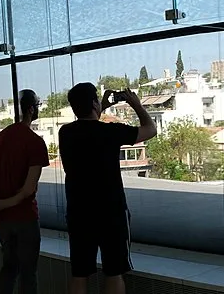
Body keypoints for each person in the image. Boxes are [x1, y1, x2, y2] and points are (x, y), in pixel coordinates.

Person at [60, 83, 156, 294]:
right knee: (114, 271)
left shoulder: (65, 133)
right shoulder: (111, 132)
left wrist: (98, 106)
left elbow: (87, 126)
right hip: (110, 211)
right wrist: (137, 105)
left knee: (79, 273)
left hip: (78, 211)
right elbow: (150, 130)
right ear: (94, 104)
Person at [0, 90, 50, 294]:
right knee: (28, 273)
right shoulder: (35, 142)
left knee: (9, 268)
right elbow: (28, 189)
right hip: (25, 218)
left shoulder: (1, 138)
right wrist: (3, 204)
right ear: (31, 109)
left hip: (2, 220)